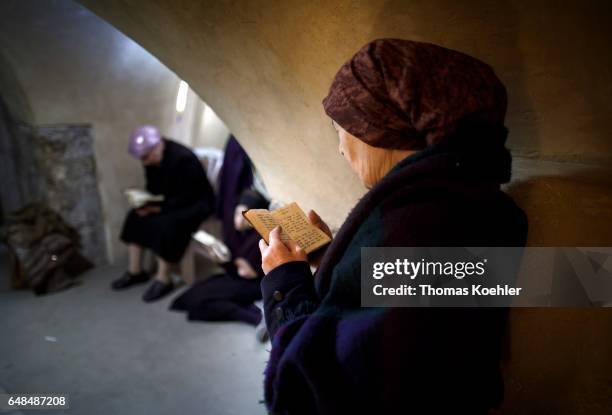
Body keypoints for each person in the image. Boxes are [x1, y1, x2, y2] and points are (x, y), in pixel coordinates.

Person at [258, 39, 528, 414]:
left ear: (378, 127)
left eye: (341, 128)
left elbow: (321, 392)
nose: (340, 148)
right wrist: (337, 262)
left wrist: (285, 284)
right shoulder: (482, 207)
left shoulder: (422, 226)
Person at [112, 125, 215, 302]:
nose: (144, 162)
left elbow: (189, 197)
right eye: (142, 159)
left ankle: (163, 278)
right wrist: (146, 203)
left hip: (195, 204)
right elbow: (154, 188)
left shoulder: (183, 158)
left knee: (166, 224)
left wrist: (158, 208)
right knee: (135, 216)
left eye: (146, 157)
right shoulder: (152, 160)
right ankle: (135, 271)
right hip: (170, 202)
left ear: (157, 147)